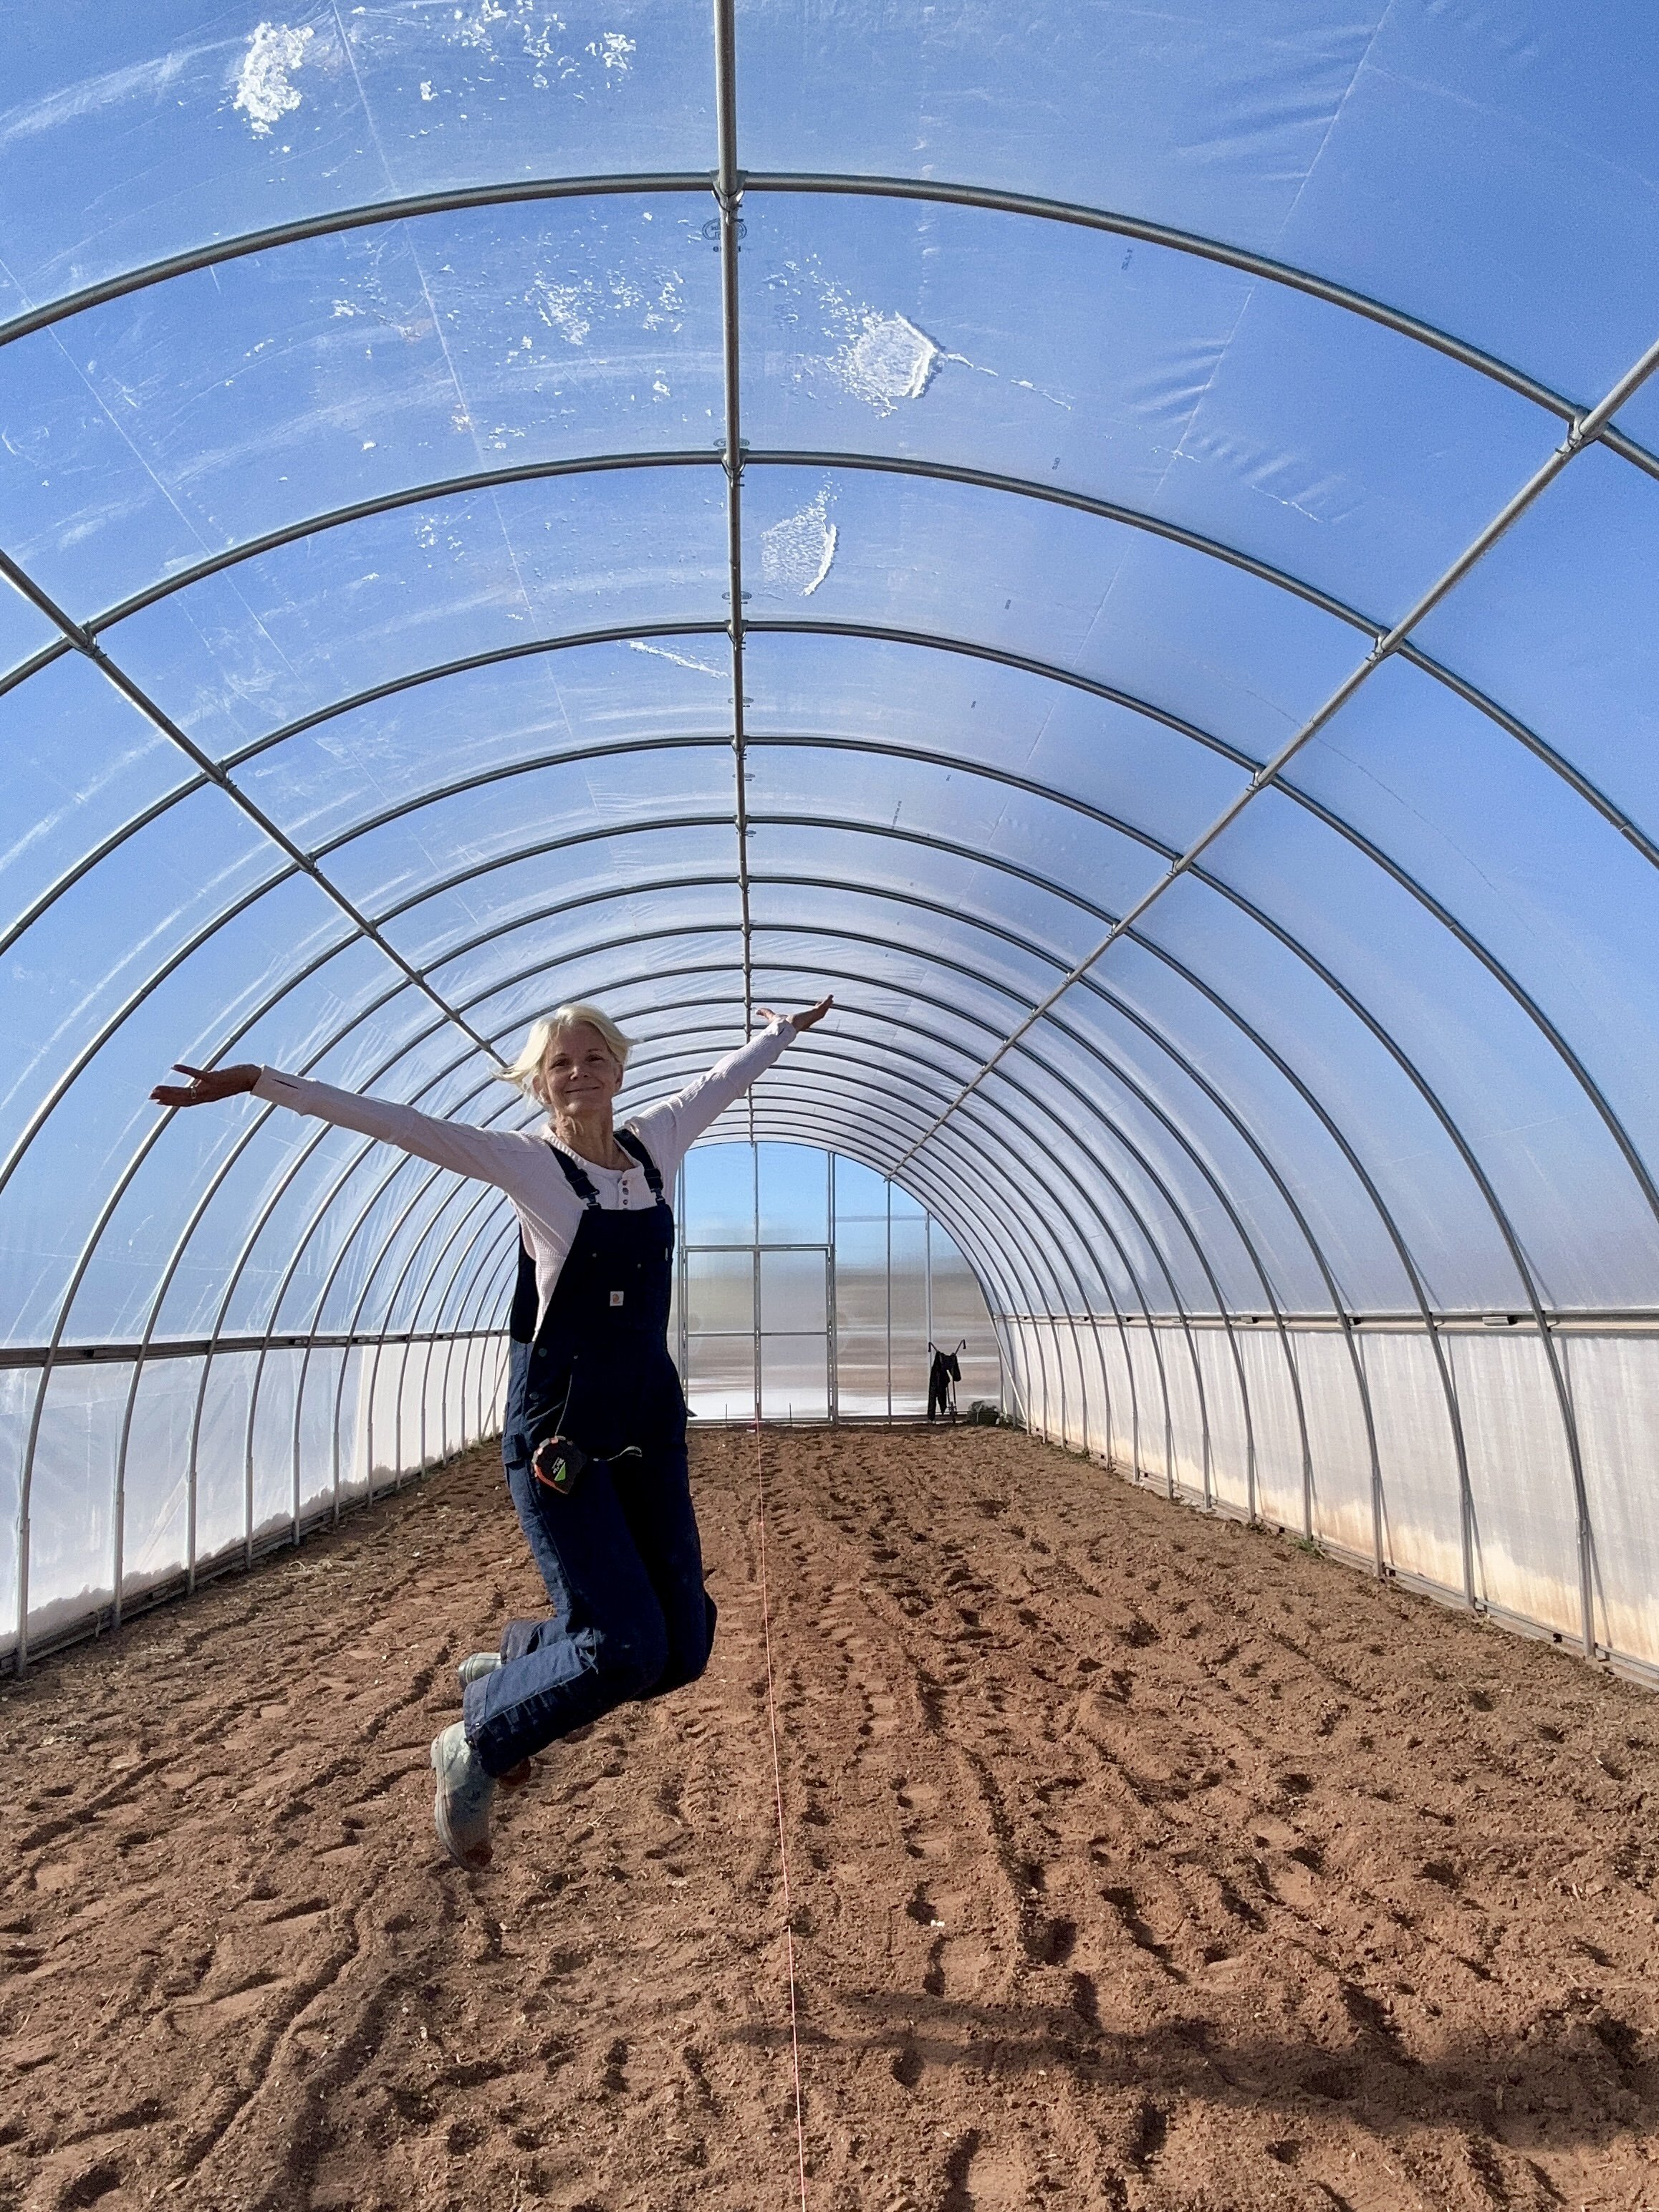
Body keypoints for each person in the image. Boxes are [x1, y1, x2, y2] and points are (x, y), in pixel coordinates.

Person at [151, 995, 832, 1870]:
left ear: (618, 1069)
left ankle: (509, 1664)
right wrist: (259, 1084)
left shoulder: (657, 1149)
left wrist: (780, 1033)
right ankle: (473, 1745)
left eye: (593, 1057)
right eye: (560, 1064)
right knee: (624, 1644)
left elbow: (721, 1081)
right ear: (540, 1084)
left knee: (683, 1645)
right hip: (562, 1438)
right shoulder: (528, 1165)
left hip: (646, 1427)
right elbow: (398, 1124)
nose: (579, 1072)